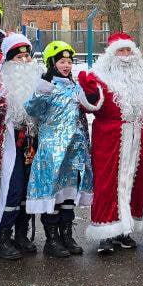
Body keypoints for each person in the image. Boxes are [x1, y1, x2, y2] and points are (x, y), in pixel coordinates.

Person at [82, 33, 143, 255]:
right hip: (109, 139)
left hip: (138, 138)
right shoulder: (99, 77)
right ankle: (105, 232)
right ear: (110, 55)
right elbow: (91, 105)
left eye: (128, 50)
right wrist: (90, 93)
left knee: (134, 182)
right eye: (120, 51)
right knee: (107, 184)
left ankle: (125, 230)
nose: (125, 55)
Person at [24, 41, 95, 258]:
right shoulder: (46, 85)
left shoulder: (75, 86)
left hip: (74, 151)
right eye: (62, 61)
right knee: (52, 194)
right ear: (52, 63)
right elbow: (31, 110)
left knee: (68, 194)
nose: (66, 65)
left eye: (69, 61)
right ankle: (52, 239)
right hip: (52, 152)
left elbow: (88, 109)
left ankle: (67, 235)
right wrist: (41, 92)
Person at [0, 33, 42, 259]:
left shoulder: (38, 81)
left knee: (28, 191)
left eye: (27, 57)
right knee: (12, 189)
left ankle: (22, 234)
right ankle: (3, 236)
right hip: (9, 144)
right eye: (18, 57)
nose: (24, 61)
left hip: (32, 143)